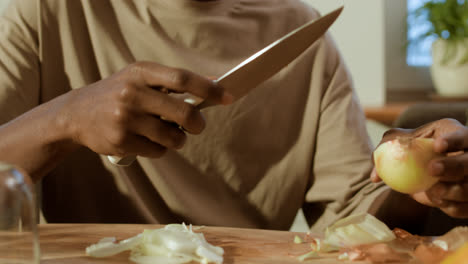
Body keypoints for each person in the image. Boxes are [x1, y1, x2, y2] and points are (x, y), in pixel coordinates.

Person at [0, 0, 465, 235]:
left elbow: (347, 217)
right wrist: (64, 119)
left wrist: (421, 189)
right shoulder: (49, 11)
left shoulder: (301, 35)